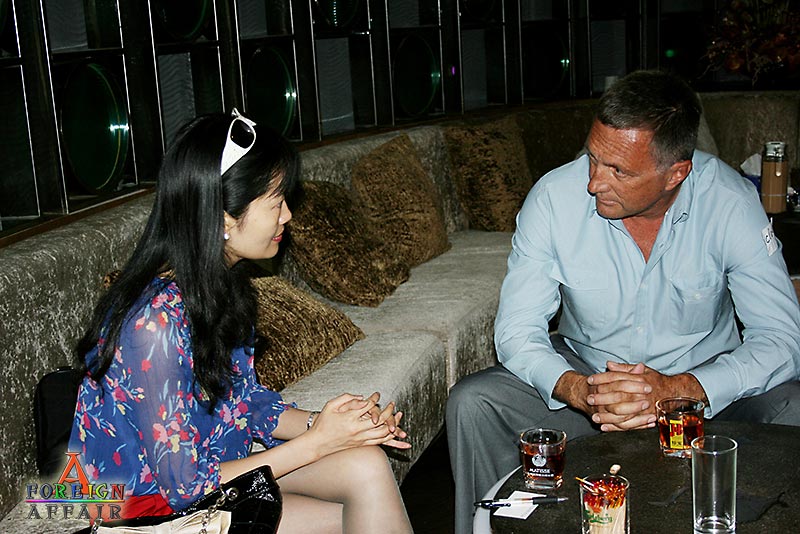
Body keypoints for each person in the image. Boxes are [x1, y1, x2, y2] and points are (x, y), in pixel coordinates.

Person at [446, 70, 800, 533]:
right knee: (474, 403)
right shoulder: (553, 198)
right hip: (590, 386)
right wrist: (579, 389)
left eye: (619, 171)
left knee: (792, 405)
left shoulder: (730, 202)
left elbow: (782, 338)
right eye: (593, 158)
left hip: (704, 399)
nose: (594, 182)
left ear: (676, 173)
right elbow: (516, 330)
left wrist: (681, 388)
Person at [68, 109, 413, 533]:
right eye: (276, 202)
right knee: (353, 515)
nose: (287, 216)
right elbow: (185, 487)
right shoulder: (153, 325)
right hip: (147, 512)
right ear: (224, 217)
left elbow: (245, 402)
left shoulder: (218, 284)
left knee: (366, 463)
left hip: (213, 471)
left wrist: (337, 424)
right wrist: (318, 441)